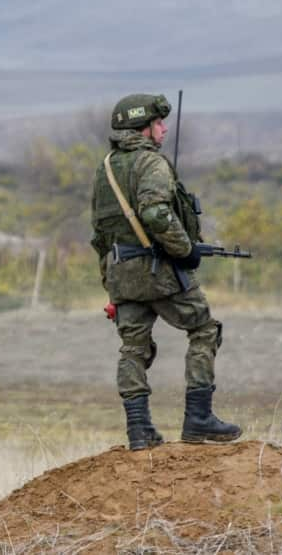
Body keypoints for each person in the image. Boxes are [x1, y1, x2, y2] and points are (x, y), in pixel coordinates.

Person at [90, 93, 241, 450]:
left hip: (120, 275)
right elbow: (156, 214)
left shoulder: (106, 167)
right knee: (204, 329)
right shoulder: (152, 164)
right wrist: (185, 251)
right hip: (158, 272)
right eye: (159, 123)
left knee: (133, 349)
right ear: (143, 127)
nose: (164, 129)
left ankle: (139, 430)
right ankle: (198, 419)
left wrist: (110, 284)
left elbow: (100, 235)